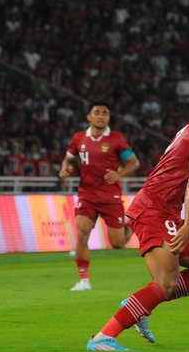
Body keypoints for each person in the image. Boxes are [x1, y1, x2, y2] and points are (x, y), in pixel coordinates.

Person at [86, 80, 189, 352]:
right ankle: (104, 337)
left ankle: (138, 305)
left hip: (167, 212)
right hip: (154, 209)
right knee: (165, 284)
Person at [60, 103, 140, 291]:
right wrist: (65, 168)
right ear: (89, 117)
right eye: (97, 113)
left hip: (109, 195)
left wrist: (118, 174)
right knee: (81, 233)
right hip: (86, 194)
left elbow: (134, 162)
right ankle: (83, 280)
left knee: (118, 243)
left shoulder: (116, 139)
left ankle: (133, 224)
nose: (101, 116)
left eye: (105, 113)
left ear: (109, 119)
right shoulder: (78, 138)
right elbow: (68, 159)